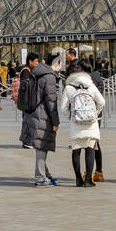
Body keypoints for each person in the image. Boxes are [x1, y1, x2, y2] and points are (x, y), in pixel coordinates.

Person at [60, 60, 105, 188]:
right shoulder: (90, 85)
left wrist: (72, 116)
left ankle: (78, 179)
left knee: (76, 151)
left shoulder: (69, 87)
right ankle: (88, 180)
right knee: (90, 150)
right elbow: (102, 102)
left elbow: (63, 108)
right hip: (91, 123)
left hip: (76, 124)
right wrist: (95, 114)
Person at [18, 52, 59, 185]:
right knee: (42, 146)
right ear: (57, 63)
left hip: (33, 113)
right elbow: (51, 101)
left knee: (41, 145)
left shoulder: (37, 72)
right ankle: (40, 178)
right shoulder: (49, 77)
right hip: (43, 115)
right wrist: (55, 121)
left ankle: (46, 174)